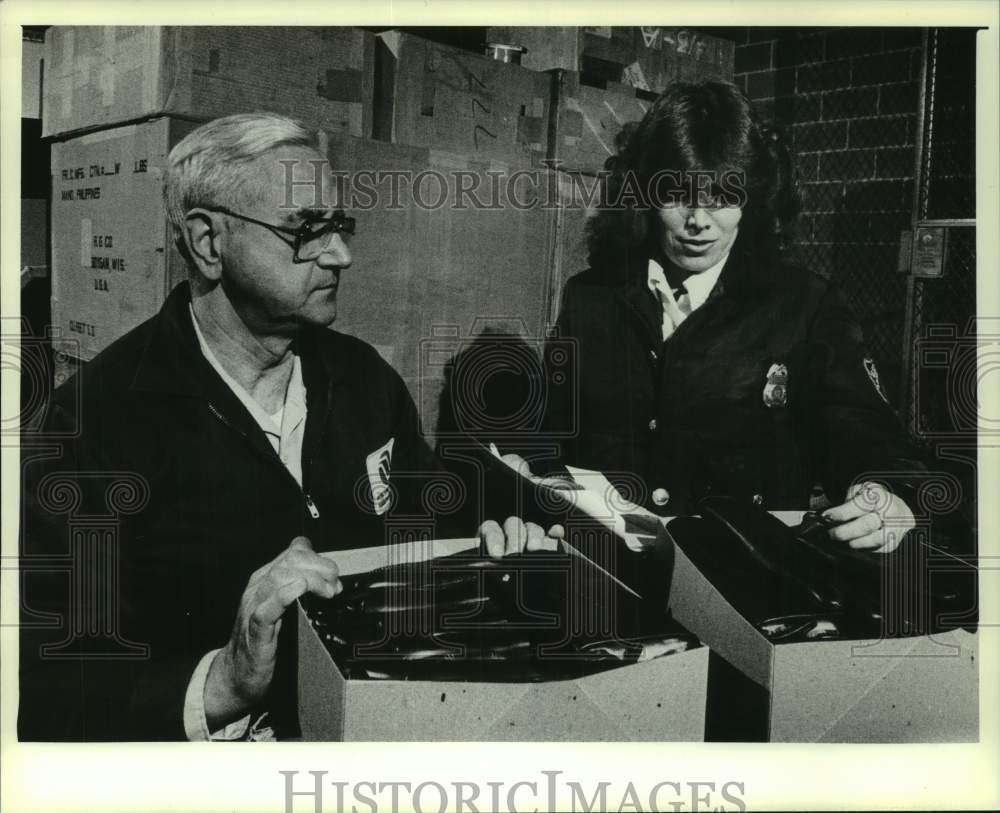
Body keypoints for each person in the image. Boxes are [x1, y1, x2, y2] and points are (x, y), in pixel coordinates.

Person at [18, 113, 552, 741]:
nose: (342, 255)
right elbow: (55, 699)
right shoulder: (92, 426)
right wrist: (224, 681)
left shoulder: (363, 378)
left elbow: (429, 525)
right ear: (208, 243)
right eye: (307, 230)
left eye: (340, 226)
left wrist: (487, 555)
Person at [508, 80, 926, 555]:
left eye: (723, 198)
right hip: (606, 567)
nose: (699, 221)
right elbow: (550, 438)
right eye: (677, 195)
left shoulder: (805, 306)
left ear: (752, 200)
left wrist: (889, 497)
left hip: (747, 575)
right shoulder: (591, 297)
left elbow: (871, 441)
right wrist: (532, 488)